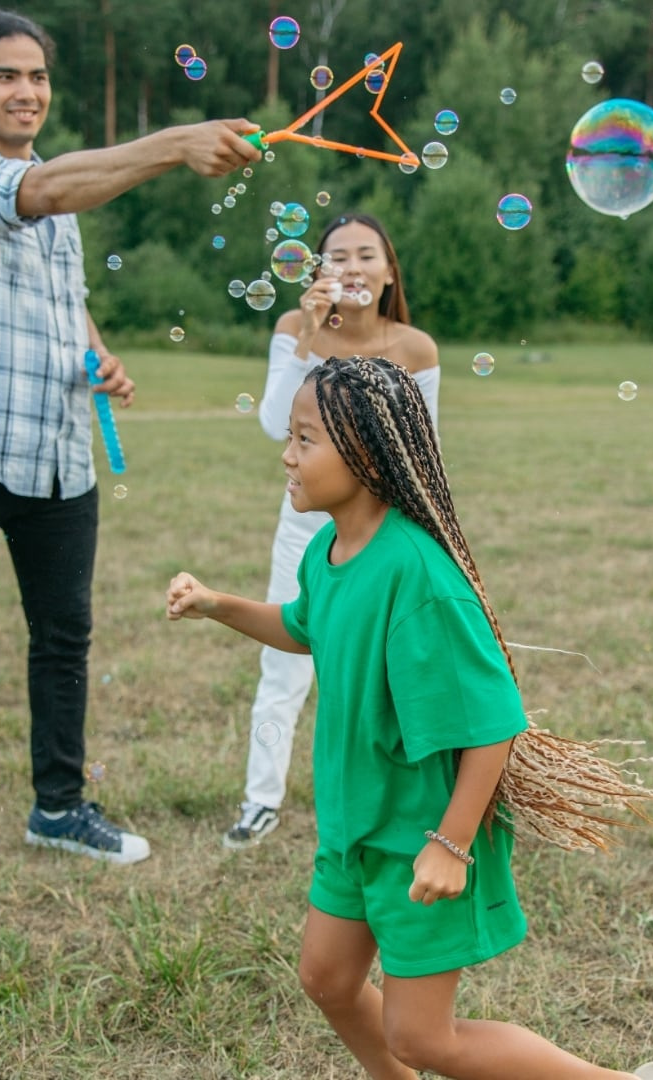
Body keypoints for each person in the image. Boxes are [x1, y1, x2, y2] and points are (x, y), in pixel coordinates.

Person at [166, 356, 653, 1079]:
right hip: (354, 826)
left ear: (367, 453)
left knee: (424, 1039)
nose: (286, 454)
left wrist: (451, 843)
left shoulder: (418, 576)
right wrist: (219, 604)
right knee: (327, 979)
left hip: (420, 836)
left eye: (305, 439)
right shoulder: (331, 550)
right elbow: (304, 625)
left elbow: (496, 723)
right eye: (290, 435)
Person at [0, 8, 261, 900]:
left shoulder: (58, 184)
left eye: (39, 76)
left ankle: (58, 807)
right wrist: (172, 144)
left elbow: (60, 288)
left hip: (57, 448)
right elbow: (39, 195)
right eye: (6, 75)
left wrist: (95, 351)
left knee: (63, 638)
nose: (27, 91)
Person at [224, 213, 441, 849]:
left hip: (388, 538)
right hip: (305, 529)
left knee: (393, 671)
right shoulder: (296, 329)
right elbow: (272, 425)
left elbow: (427, 452)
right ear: (317, 273)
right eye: (336, 256)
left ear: (389, 272)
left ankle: (403, 803)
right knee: (284, 664)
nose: (351, 267)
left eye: (366, 255)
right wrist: (307, 341)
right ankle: (260, 799)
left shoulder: (415, 348)